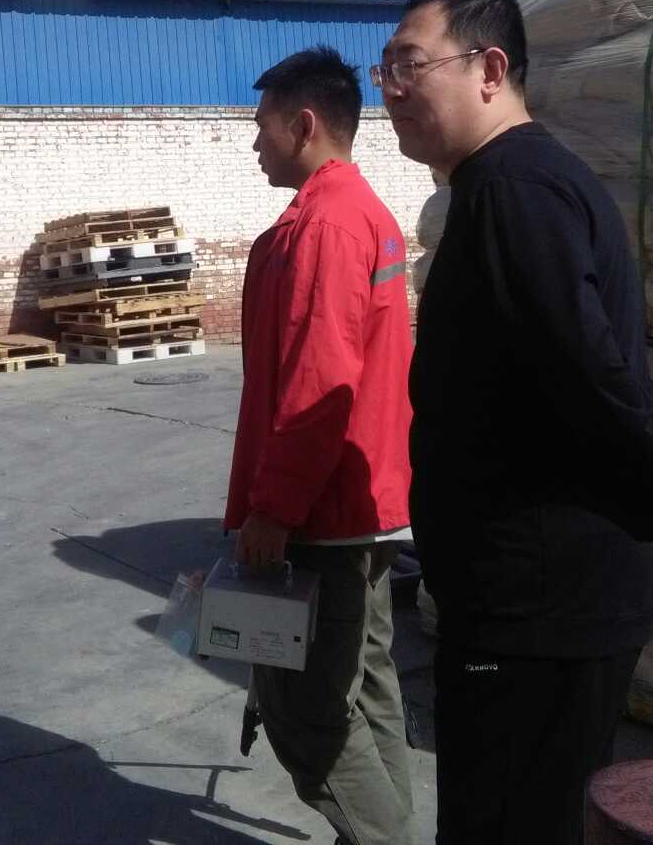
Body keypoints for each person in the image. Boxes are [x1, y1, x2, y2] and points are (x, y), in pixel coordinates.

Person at [377, 0, 653, 844]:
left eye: (409, 65)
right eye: (384, 70)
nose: (391, 89)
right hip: (536, 598)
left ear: (489, 69)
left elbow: (582, 373)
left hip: (538, 606)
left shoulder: (515, 192)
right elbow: (599, 358)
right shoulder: (513, 184)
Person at [224, 46, 416, 845]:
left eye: (262, 126)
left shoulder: (328, 225)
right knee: (364, 686)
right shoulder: (350, 213)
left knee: (306, 710)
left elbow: (320, 380)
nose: (254, 143)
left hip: (323, 513)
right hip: (358, 502)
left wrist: (273, 508)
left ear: (304, 125)